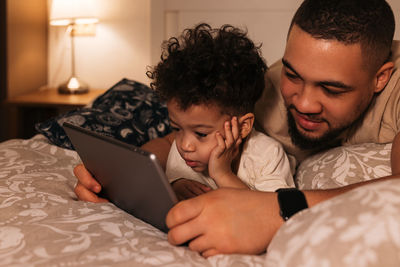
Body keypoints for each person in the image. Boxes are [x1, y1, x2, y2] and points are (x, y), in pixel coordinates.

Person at [74, 0, 400, 258]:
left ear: (380, 77)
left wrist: (276, 211)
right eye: (294, 75)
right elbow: (181, 136)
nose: (303, 103)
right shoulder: (268, 92)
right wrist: (123, 174)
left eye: (332, 89)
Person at [148, 24, 294, 200]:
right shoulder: (186, 151)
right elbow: (171, 181)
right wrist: (176, 185)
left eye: (201, 133)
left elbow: (273, 211)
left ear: (243, 126)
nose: (184, 145)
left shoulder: (267, 155)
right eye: (176, 128)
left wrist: (223, 174)